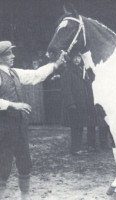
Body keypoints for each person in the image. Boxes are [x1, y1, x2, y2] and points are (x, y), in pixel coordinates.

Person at [0, 41, 66, 200]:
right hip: (3, 129)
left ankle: (25, 197)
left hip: (20, 128)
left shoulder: (13, 72)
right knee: (3, 167)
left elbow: (35, 75)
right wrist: (12, 105)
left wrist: (55, 64)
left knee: (25, 164)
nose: (13, 56)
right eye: (9, 54)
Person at [61, 54, 109, 155]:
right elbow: (66, 89)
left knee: (86, 125)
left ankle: (87, 146)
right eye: (75, 57)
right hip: (75, 104)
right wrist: (70, 103)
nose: (77, 60)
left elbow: (90, 81)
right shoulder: (68, 71)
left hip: (85, 103)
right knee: (76, 127)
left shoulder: (83, 70)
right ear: (71, 59)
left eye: (79, 57)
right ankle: (75, 148)